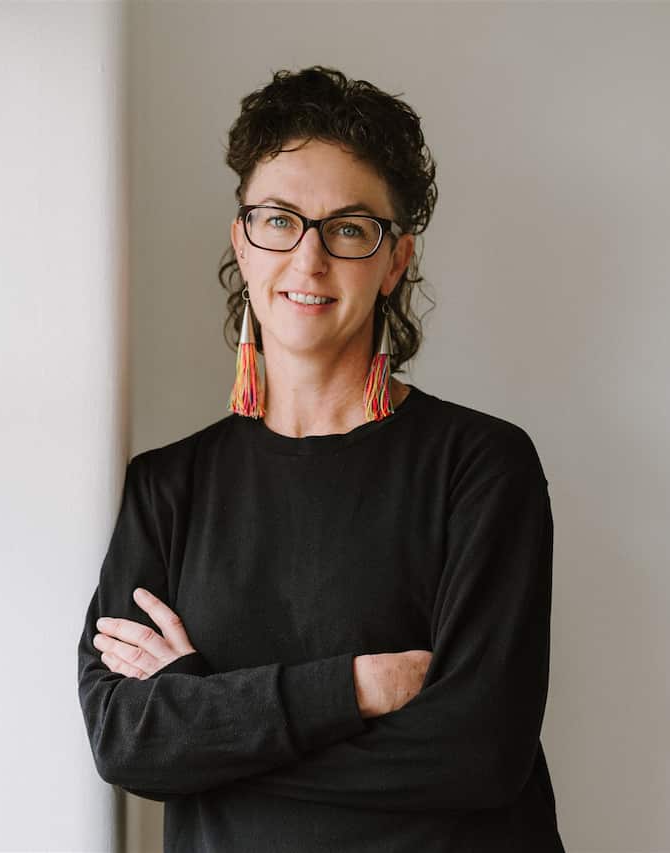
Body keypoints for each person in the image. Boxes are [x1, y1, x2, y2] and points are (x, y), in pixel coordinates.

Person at [76, 65, 565, 852]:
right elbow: (124, 738)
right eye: (279, 220)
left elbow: (478, 753)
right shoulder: (168, 488)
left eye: (347, 228)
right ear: (242, 238)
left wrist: (209, 719)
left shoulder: (481, 468)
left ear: (396, 259)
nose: (308, 261)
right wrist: (357, 687)